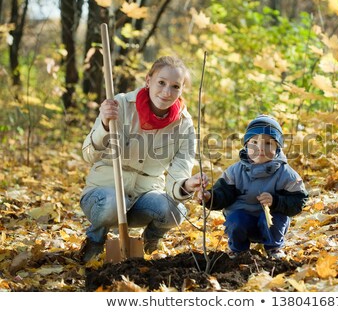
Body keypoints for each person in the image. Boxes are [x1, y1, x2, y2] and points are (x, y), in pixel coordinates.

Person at [79, 56, 206, 263]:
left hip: (142, 198)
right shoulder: (119, 104)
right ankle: (95, 240)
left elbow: (179, 174)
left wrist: (186, 184)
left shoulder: (184, 126)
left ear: (182, 89)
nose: (166, 92)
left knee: (175, 211)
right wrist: (103, 123)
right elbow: (88, 155)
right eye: (161, 83)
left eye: (175, 86)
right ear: (148, 81)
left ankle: (151, 238)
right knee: (112, 203)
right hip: (103, 196)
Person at [199, 115, 308, 259]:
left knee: (272, 218)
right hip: (243, 221)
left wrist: (276, 201)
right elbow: (223, 193)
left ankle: (274, 248)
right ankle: (238, 250)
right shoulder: (235, 172)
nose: (261, 148)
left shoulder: (286, 173)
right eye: (255, 142)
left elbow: (299, 201)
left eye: (268, 143)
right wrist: (209, 197)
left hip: (270, 223)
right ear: (246, 145)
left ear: (277, 147)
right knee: (235, 219)